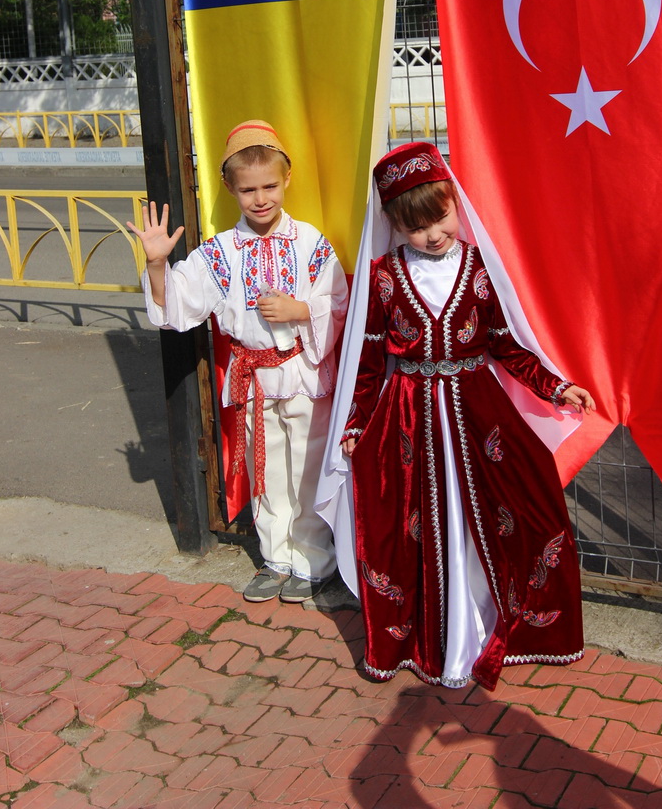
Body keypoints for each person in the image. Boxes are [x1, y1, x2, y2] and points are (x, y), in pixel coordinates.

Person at [321, 140, 594, 691]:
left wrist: (556, 385)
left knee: (520, 507)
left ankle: (504, 622)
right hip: (409, 420)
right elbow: (371, 361)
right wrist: (354, 425)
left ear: (455, 203)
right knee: (416, 524)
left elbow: (505, 344)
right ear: (395, 226)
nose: (433, 233)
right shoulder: (383, 278)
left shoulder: (477, 269)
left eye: (439, 216)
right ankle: (433, 637)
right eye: (416, 225)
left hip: (479, 412)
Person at [128, 119, 348, 604]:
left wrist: (300, 310)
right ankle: (277, 557)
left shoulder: (311, 242)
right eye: (248, 189)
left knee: (306, 467)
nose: (261, 198)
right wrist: (158, 264)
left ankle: (314, 560)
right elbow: (176, 309)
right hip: (253, 380)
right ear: (229, 187)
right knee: (265, 469)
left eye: (270, 185)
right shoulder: (220, 252)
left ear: (287, 179)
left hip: (304, 372)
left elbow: (337, 301)